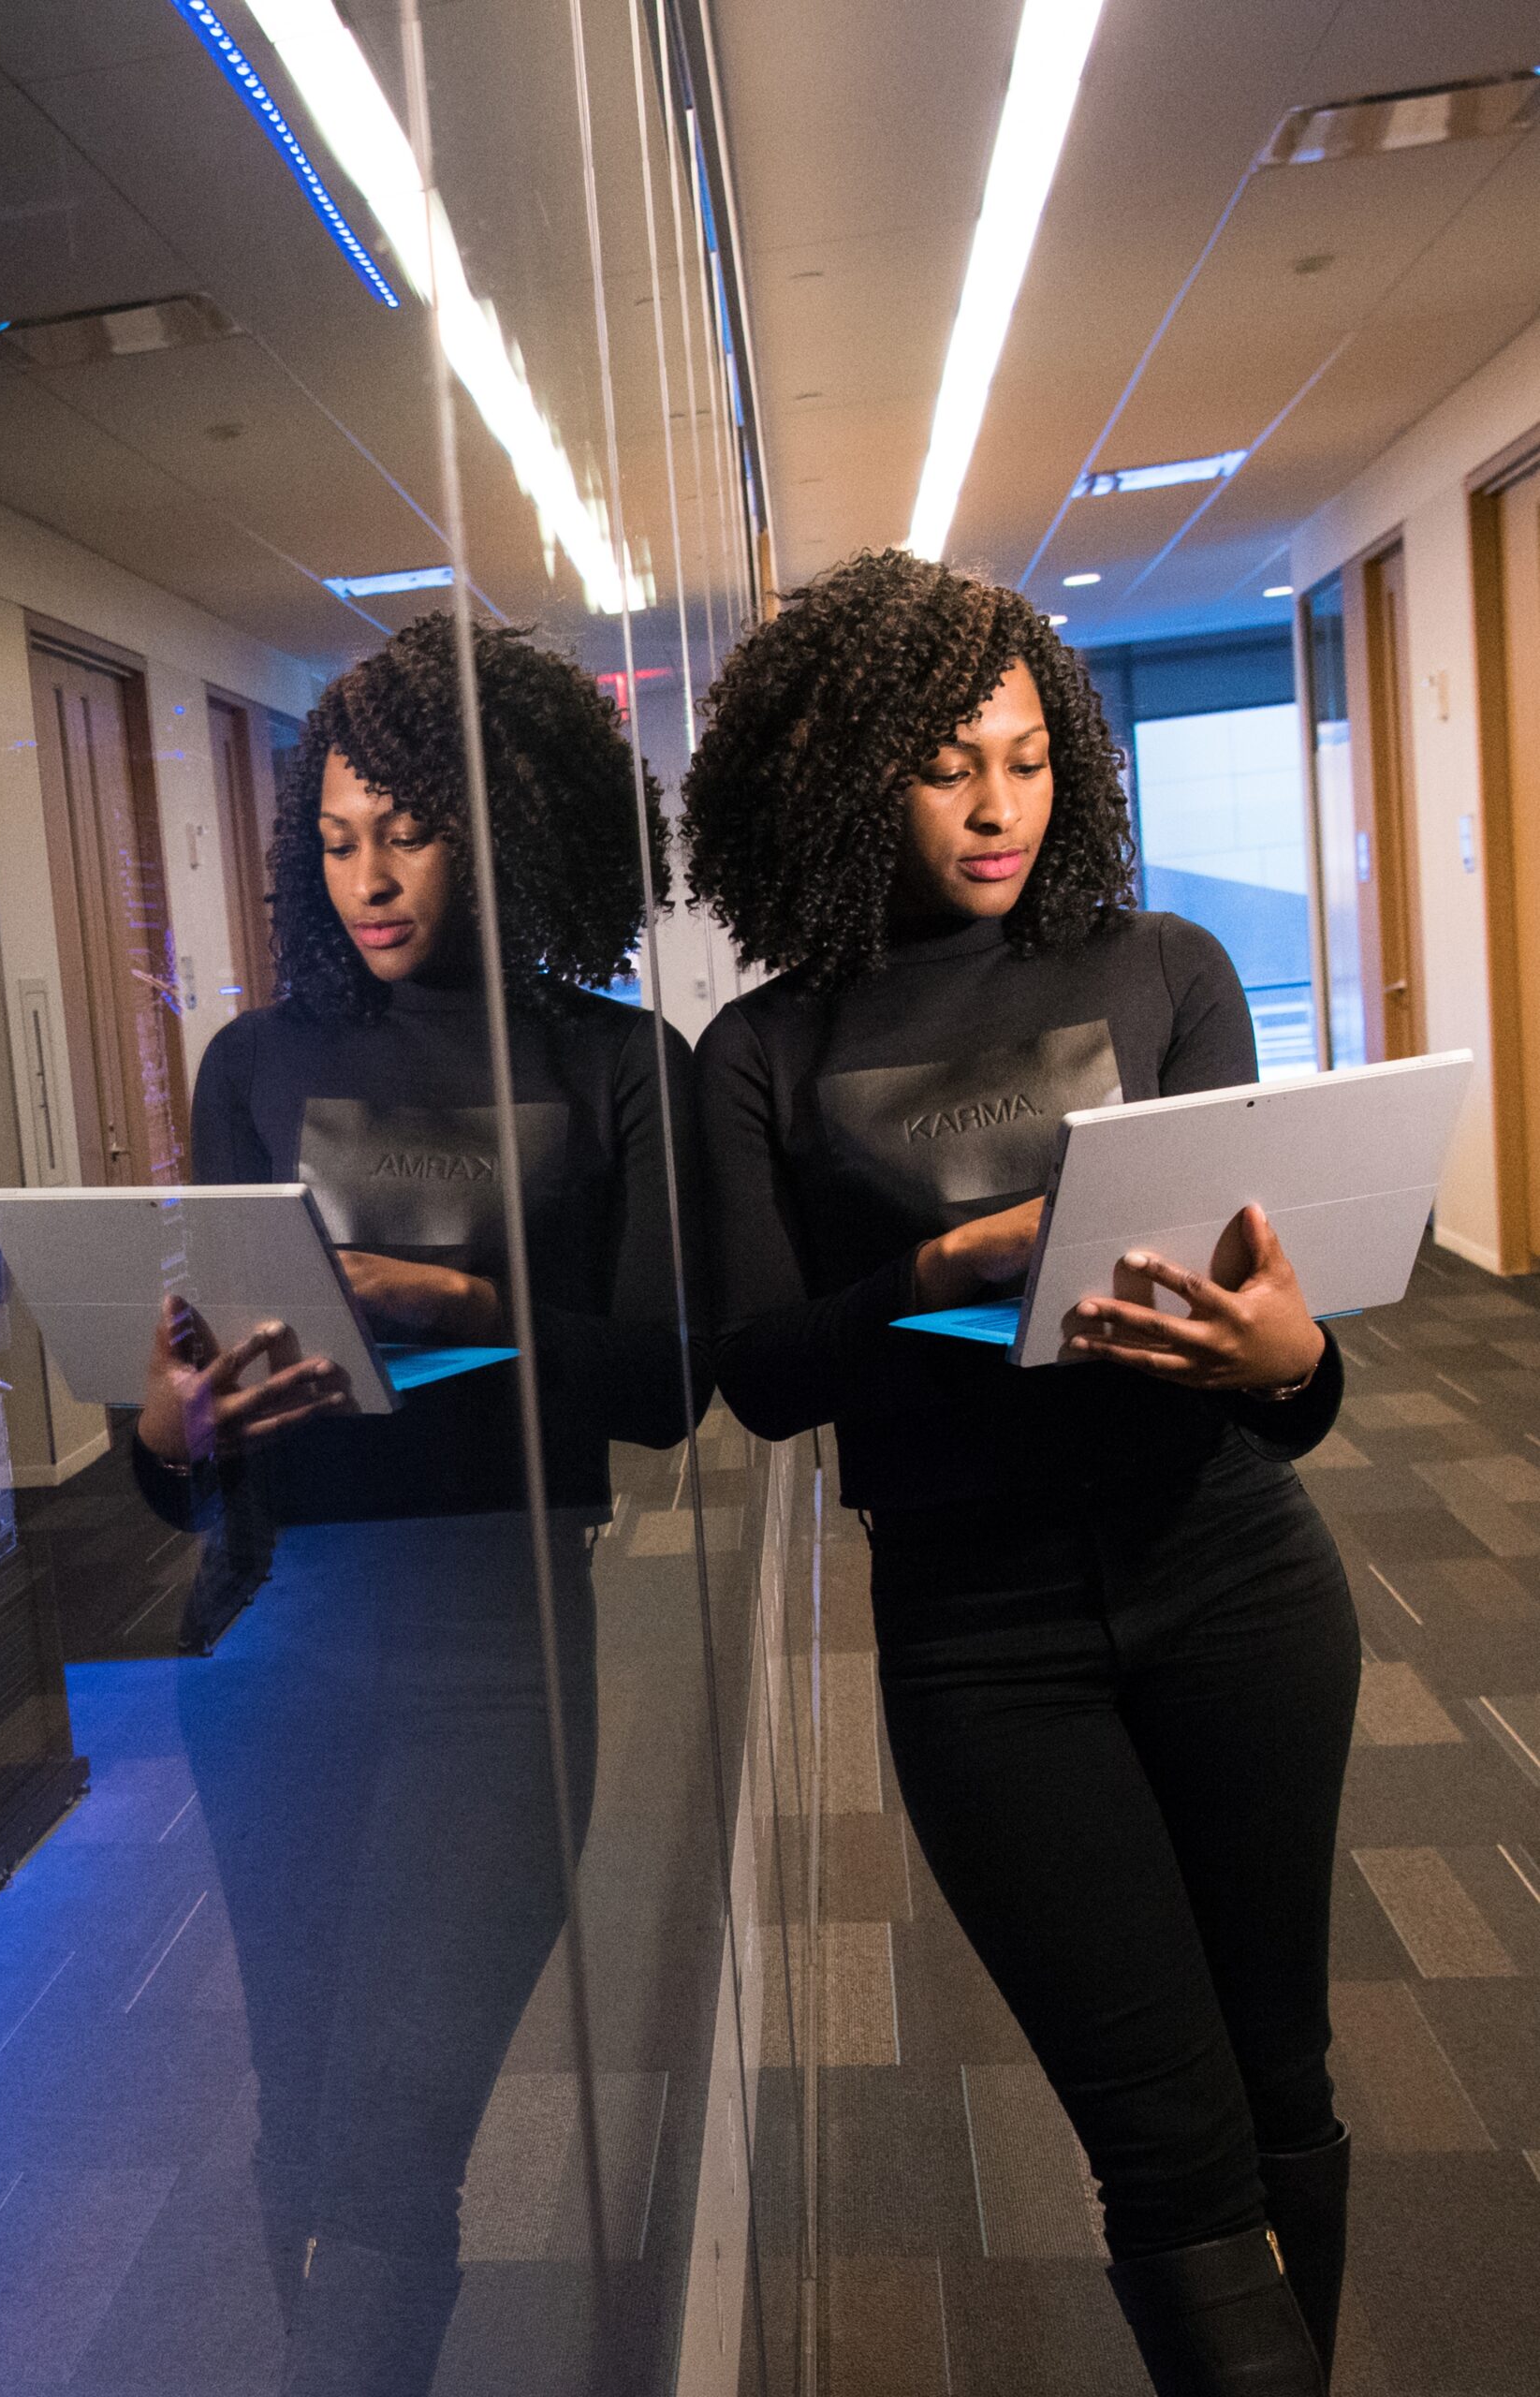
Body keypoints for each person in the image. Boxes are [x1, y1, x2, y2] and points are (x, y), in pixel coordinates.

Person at [684, 551, 1357, 2397]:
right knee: (1162, 2135)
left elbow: (1278, 1375)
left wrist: (1291, 1359)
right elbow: (751, 1374)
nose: (998, 806)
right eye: (945, 764)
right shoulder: (760, 1048)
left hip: (1235, 1573)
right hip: (981, 1638)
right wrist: (933, 1274)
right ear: (833, 776)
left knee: (1275, 2058)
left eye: (1028, 754)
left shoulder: (1165, 966)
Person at [130, 615, 707, 2394]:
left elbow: (670, 1388)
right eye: (336, 842)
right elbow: (190, 1456)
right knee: (301, 2110)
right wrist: (177, 1421)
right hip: (281, 1639)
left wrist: (473, 1311)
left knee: (397, 2135)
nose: (369, 880)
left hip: (502, 1639)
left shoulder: (617, 1068)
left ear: (506, 822)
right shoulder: (254, 1064)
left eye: (410, 831)